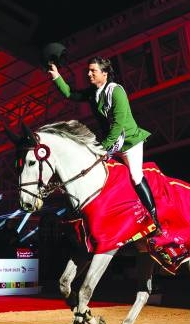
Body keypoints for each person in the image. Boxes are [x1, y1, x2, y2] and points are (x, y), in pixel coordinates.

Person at [48, 56, 160, 237]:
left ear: (105, 73)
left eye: (93, 71)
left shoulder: (117, 92)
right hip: (111, 143)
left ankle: (155, 219)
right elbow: (70, 94)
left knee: (135, 176)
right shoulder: (94, 92)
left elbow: (117, 126)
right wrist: (56, 76)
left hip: (129, 142)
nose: (88, 74)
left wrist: (101, 149)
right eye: (88, 70)